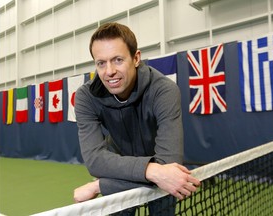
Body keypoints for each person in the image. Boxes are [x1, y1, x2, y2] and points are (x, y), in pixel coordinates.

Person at [73, 22, 200, 215]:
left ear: (136, 58)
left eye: (117, 60)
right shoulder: (85, 97)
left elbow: (168, 164)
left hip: (155, 178)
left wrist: (101, 186)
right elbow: (95, 161)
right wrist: (152, 171)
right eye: (101, 63)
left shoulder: (164, 91)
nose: (109, 72)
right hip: (134, 172)